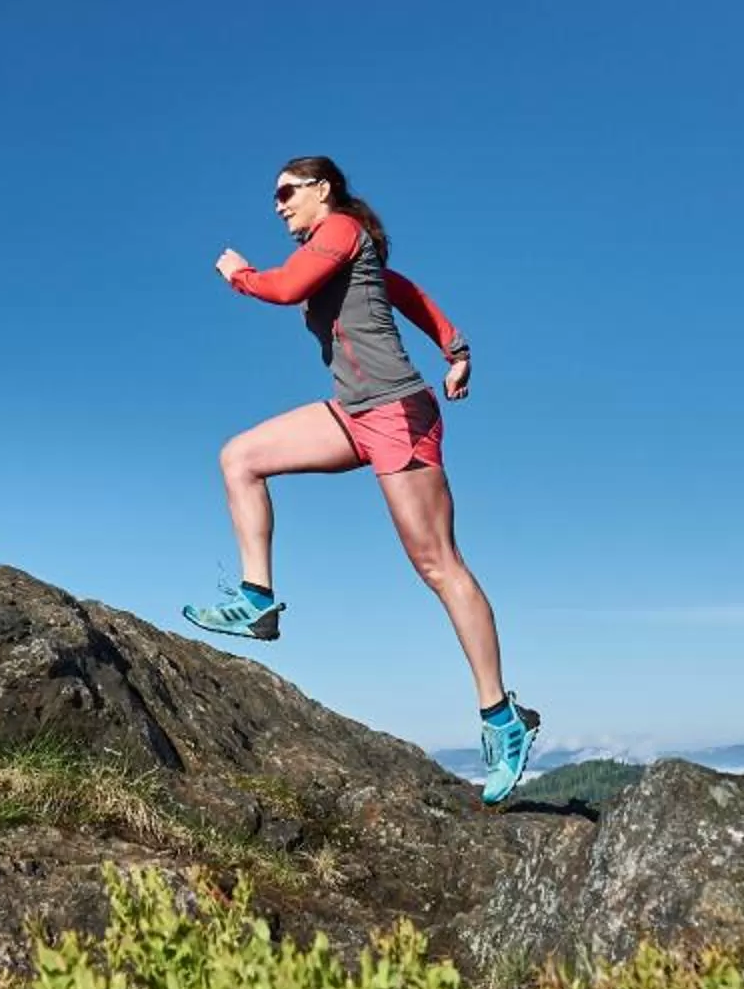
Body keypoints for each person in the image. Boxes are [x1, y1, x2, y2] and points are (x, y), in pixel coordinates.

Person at [182, 156, 540, 804]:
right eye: (275, 197)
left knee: (437, 565)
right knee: (240, 457)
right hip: (355, 413)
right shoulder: (348, 249)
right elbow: (405, 293)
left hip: (397, 411)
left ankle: (502, 718)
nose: (279, 204)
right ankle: (257, 599)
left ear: (324, 190)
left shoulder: (342, 229)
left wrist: (239, 274)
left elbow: (286, 288)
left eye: (288, 192)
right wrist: (455, 347)